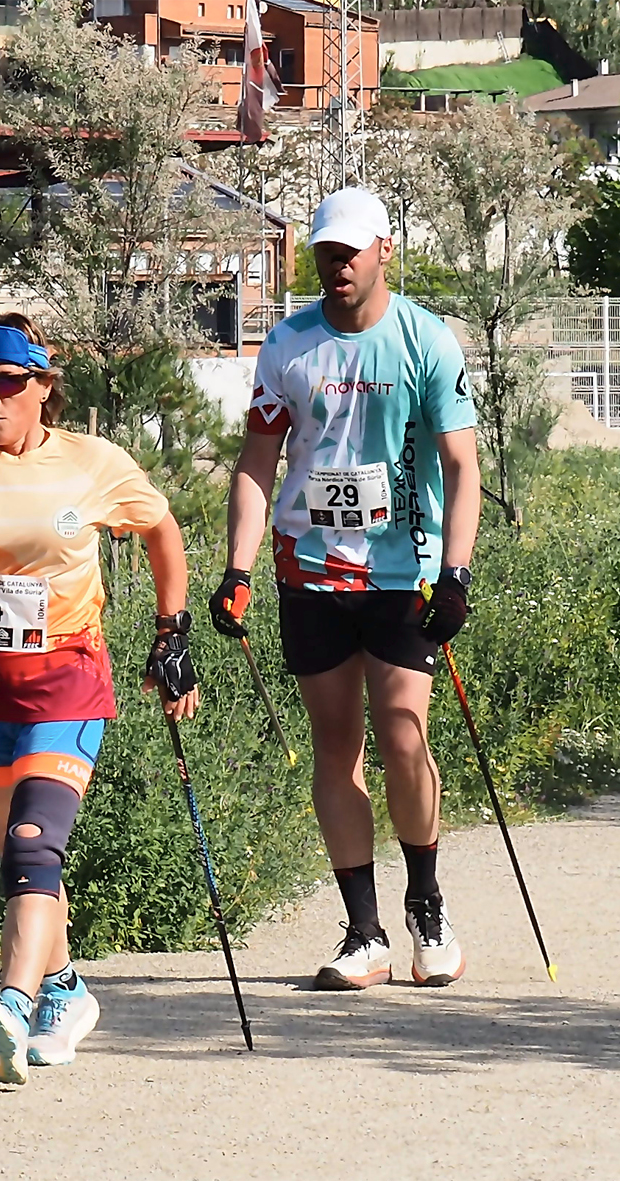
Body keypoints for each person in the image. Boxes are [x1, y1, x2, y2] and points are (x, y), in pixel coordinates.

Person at [0, 314, 200, 1085]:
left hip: (67, 681)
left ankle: (12, 1004)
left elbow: (162, 532)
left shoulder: (92, 463)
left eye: (8, 384)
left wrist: (171, 630)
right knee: (22, 867)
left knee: (31, 844)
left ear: (43, 387)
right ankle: (68, 989)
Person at [208, 187, 480, 990]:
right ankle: (362, 931)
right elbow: (257, 463)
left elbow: (462, 466)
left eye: (350, 252)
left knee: (403, 736)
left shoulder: (424, 340)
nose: (337, 265)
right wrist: (237, 569)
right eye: (326, 252)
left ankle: (426, 904)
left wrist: (456, 574)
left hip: (403, 572)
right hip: (310, 572)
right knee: (337, 747)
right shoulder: (287, 346)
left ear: (384, 251)